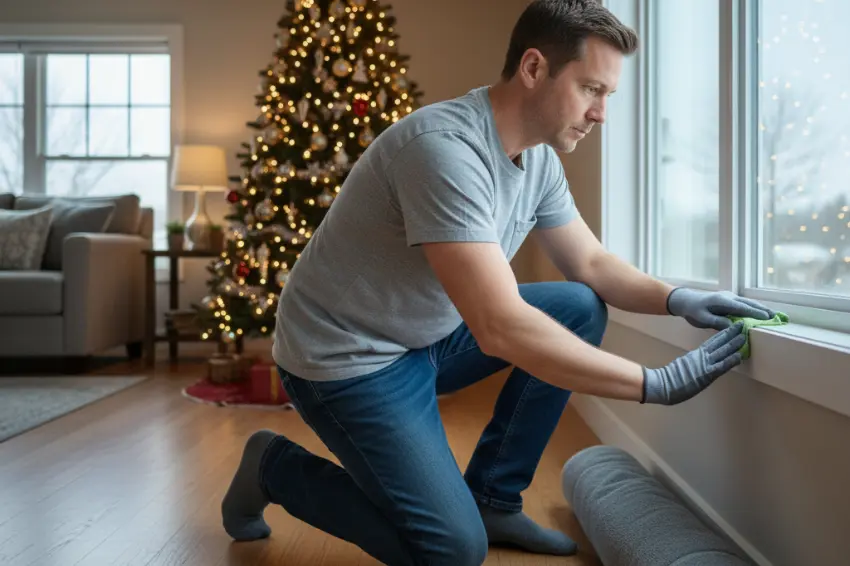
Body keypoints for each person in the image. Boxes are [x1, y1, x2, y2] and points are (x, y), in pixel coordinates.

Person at [221, 1, 775, 564]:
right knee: (452, 552)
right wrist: (654, 383)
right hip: (347, 359)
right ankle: (273, 467)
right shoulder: (442, 150)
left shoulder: (539, 162)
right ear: (534, 68)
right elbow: (500, 326)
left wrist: (679, 299)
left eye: (607, 95)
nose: (602, 113)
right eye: (591, 89)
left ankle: (493, 499)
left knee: (579, 305)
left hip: (425, 336)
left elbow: (591, 266)